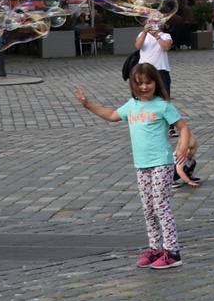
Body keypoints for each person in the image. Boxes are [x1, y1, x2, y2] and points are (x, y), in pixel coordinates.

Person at [74, 64, 193, 269]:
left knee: (161, 206)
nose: (145, 87)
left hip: (161, 163)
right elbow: (112, 115)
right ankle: (155, 248)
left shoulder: (163, 105)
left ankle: (172, 252)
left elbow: (183, 128)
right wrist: (88, 105)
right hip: (142, 165)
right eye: (139, 83)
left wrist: (182, 147)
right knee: (148, 208)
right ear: (132, 85)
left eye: (149, 82)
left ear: (156, 82)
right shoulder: (132, 105)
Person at [136, 19, 174, 95]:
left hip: (161, 69)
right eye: (151, 21)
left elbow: (166, 47)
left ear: (161, 24)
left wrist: (156, 36)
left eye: (157, 22)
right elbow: (138, 46)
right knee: (145, 94)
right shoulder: (142, 34)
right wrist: (144, 32)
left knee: (163, 95)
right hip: (145, 69)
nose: (154, 24)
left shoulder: (166, 35)